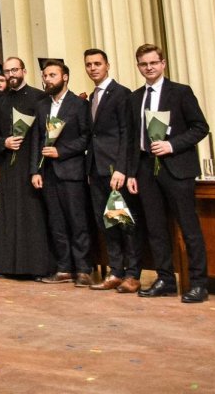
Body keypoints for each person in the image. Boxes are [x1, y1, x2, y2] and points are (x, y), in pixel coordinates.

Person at [129, 43, 210, 303]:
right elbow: (132, 138)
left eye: (153, 62)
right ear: (139, 67)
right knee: (155, 228)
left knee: (189, 228)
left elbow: (200, 127)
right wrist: (131, 172)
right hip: (145, 169)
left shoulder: (181, 93)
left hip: (176, 168)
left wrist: (171, 144)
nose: (149, 67)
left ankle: (199, 284)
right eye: (144, 64)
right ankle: (165, 279)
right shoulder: (135, 97)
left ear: (163, 64)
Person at [82, 49, 141, 293]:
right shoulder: (91, 98)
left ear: (108, 65)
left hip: (114, 170)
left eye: (97, 63)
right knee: (106, 222)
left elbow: (127, 134)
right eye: (88, 64)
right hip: (95, 169)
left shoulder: (121, 94)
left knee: (125, 222)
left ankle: (133, 273)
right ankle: (115, 271)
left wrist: (122, 169)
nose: (93, 68)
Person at [30, 59, 92, 286]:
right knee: (56, 222)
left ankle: (83, 269)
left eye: (52, 75)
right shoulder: (42, 106)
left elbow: (86, 138)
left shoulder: (79, 104)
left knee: (77, 221)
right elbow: (37, 140)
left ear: (65, 77)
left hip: (71, 171)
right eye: (45, 76)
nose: (47, 80)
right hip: (48, 174)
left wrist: (61, 151)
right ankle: (64, 268)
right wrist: (35, 171)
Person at [0, 57, 50, 278]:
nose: (11, 74)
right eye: (7, 71)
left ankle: (35, 267)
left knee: (31, 214)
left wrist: (37, 168)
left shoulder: (39, 97)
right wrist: (4, 143)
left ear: (23, 71)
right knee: (9, 215)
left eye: (15, 70)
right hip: (8, 163)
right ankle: (9, 267)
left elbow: (44, 133)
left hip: (31, 163)